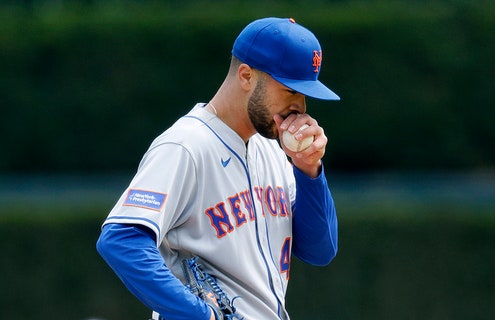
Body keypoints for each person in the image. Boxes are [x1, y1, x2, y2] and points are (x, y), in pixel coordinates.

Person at [96, 17, 339, 320]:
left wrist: (308, 169)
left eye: (304, 94)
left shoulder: (273, 152)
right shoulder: (185, 146)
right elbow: (121, 239)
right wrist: (199, 315)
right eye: (290, 90)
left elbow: (320, 251)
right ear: (247, 76)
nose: (300, 106)